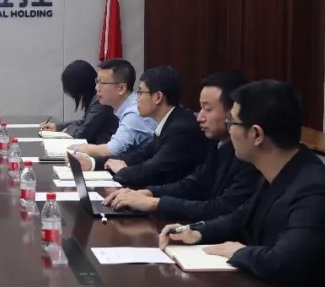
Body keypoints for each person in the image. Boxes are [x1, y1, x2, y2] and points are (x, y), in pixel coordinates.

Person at [160, 80, 325, 287]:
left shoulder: (315, 190)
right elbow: (240, 218)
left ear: (256, 134)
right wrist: (195, 232)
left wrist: (239, 252)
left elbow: (283, 263)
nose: (229, 131)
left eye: (232, 123)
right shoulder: (279, 171)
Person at [104, 70, 262, 221]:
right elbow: (195, 183)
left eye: (207, 109)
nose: (199, 117)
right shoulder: (217, 143)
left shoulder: (249, 156)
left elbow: (221, 208)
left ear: (234, 112)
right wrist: (148, 193)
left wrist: (155, 203)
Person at [88, 65, 209, 188]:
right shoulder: (169, 121)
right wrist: (92, 163)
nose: (137, 99)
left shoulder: (180, 129)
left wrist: (123, 171)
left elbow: (153, 170)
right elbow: (140, 156)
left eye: (140, 92)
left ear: (158, 97)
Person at [68, 58, 157, 166]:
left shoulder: (134, 113)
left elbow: (111, 150)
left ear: (121, 88)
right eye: (97, 81)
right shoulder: (127, 107)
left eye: (102, 83)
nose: (96, 88)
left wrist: (81, 148)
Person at [39, 60, 118, 143]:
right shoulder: (94, 99)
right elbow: (83, 122)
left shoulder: (101, 102)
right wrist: (57, 127)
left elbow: (82, 134)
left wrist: (68, 130)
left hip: (102, 149)